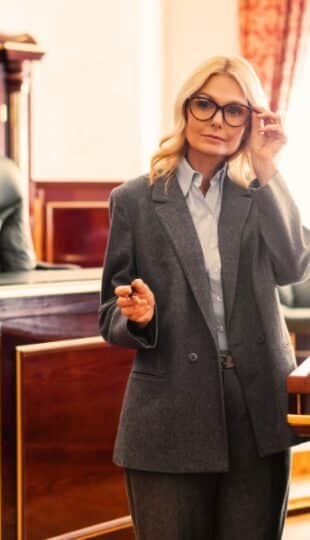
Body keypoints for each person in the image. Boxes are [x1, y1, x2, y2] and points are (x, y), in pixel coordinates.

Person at [99, 55, 310, 540]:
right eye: (206, 105)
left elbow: (294, 264)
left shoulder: (260, 193)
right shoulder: (134, 200)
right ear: (186, 110)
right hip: (169, 408)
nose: (217, 120)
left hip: (255, 408)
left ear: (251, 121)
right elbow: (109, 311)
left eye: (234, 110)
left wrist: (267, 165)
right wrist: (136, 316)